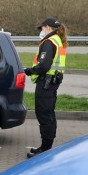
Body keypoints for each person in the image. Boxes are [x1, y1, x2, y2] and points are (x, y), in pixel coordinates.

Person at [25, 18, 68, 157]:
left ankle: (45, 148)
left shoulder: (49, 42)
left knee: (44, 114)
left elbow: (44, 65)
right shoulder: (57, 40)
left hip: (46, 83)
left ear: (48, 27)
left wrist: (30, 70)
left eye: (42, 28)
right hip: (51, 83)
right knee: (49, 114)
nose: (41, 31)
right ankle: (48, 145)